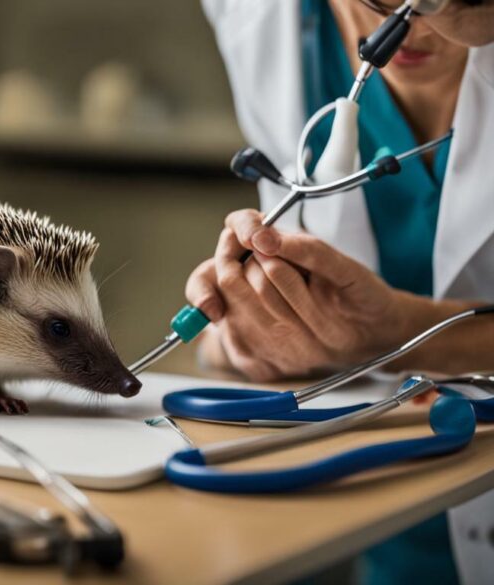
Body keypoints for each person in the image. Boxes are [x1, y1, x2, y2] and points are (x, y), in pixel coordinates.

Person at [195, 0, 494, 583]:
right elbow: (254, 345)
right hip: (387, 526)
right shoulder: (265, 21)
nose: (408, 25)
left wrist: (400, 336)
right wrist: (247, 333)